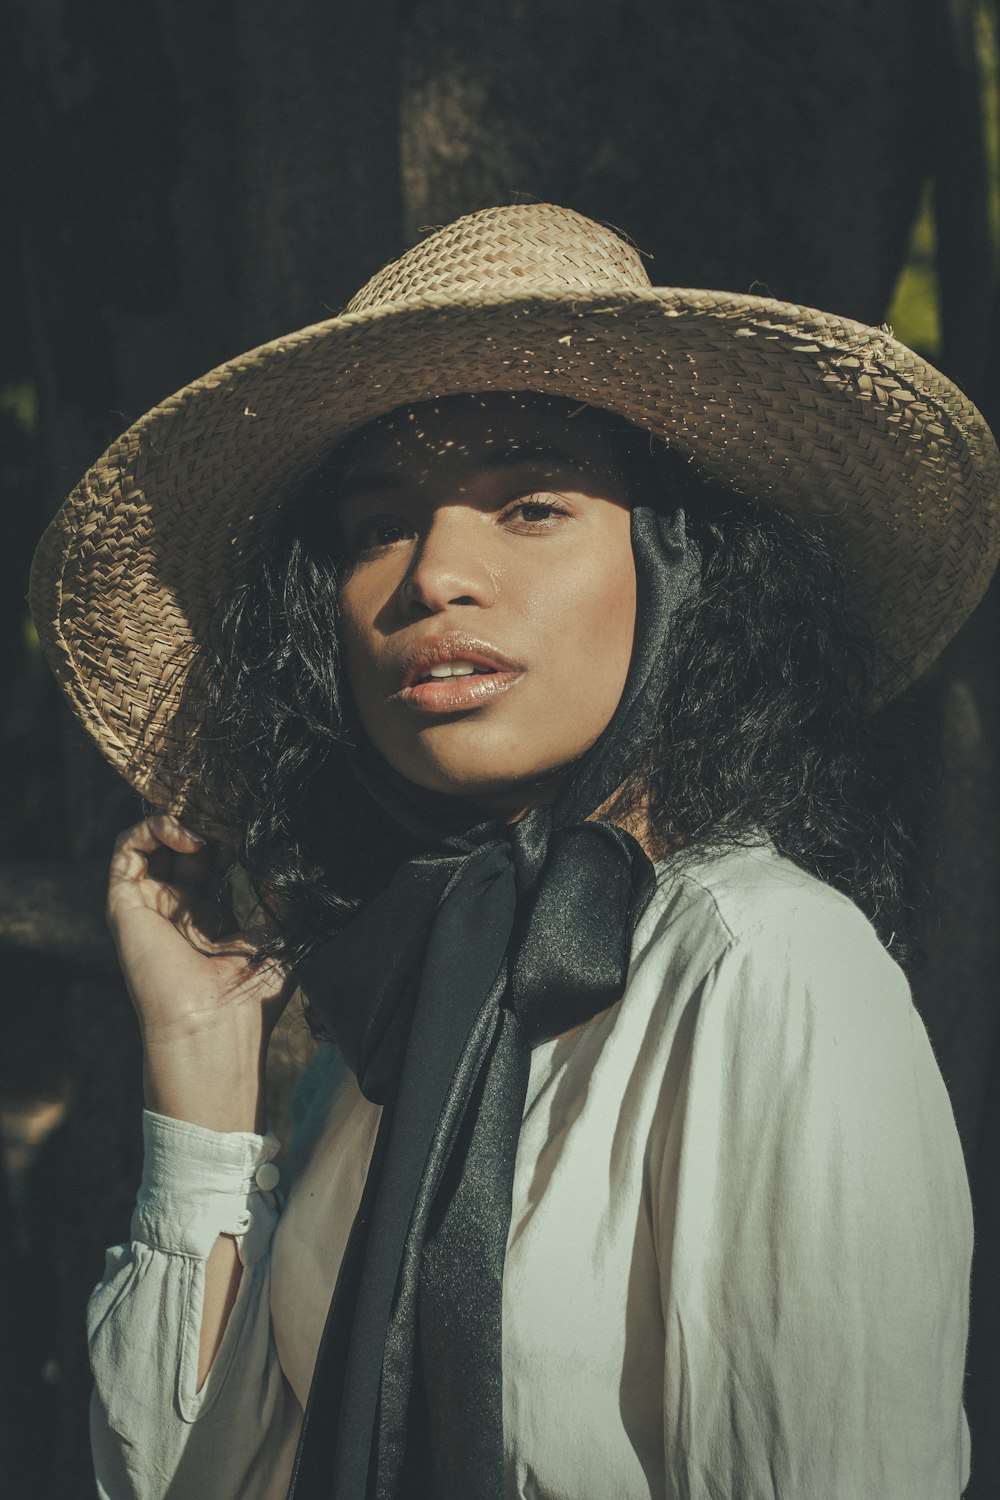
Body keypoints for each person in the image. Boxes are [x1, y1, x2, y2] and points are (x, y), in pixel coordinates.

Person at [29, 203, 998, 1500]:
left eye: (531, 504)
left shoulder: (769, 972)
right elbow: (174, 1483)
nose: (436, 573)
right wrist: (203, 1065)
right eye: (379, 524)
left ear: (680, 567)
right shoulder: (386, 1037)